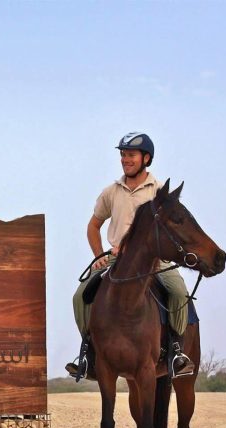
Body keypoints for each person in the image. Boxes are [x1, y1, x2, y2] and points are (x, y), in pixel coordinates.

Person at [66, 132, 194, 380]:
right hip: (116, 258)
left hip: (156, 261)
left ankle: (176, 352)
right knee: (80, 296)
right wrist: (98, 255)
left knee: (179, 292)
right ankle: (87, 354)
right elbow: (93, 226)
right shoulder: (111, 192)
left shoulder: (159, 192)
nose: (125, 159)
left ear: (146, 158)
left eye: (131, 155)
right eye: (123, 155)